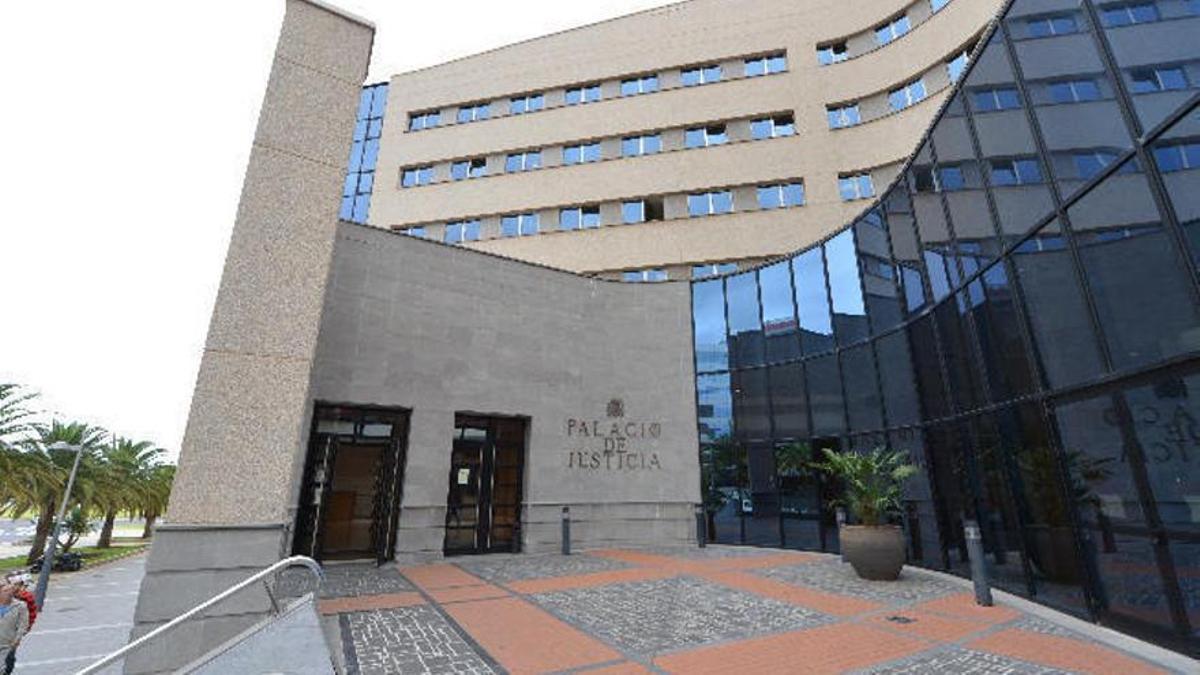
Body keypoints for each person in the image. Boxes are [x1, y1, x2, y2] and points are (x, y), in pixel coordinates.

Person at [0, 583, 30, 675]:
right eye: (5, 591)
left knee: (5, 667)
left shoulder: (20, 606)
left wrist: (17, 639)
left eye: (10, 590)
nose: (8, 593)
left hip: (8, 643)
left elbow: (23, 624)